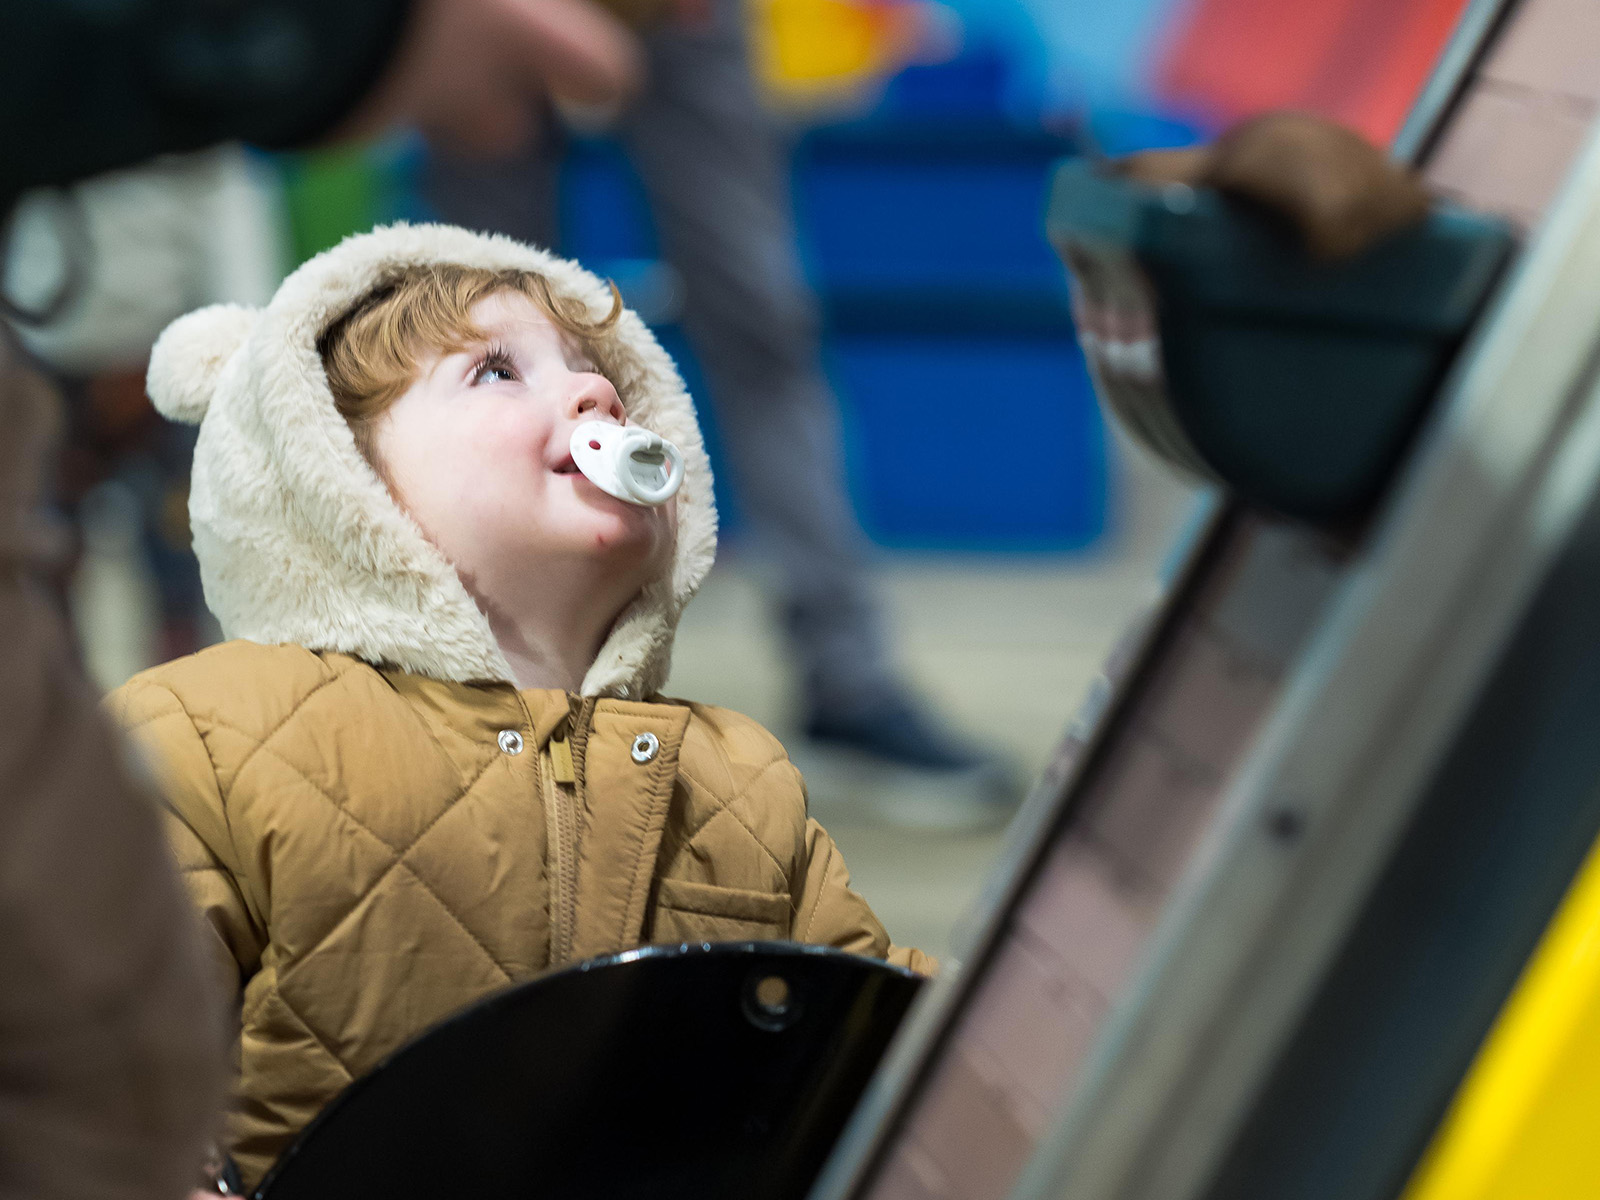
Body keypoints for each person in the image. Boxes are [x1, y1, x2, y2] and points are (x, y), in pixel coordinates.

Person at [107, 222, 934, 1191]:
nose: (596, 396)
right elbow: (81, 1059)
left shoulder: (739, 781)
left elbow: (885, 1051)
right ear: (331, 484)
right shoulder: (205, 739)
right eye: (496, 372)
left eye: (597, 373)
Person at [423, 0, 1016, 824]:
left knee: (760, 324)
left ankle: (847, 683)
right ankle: (483, 689)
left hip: (682, 20)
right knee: (474, 334)